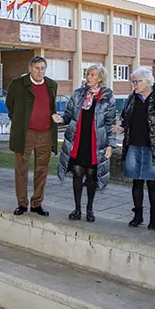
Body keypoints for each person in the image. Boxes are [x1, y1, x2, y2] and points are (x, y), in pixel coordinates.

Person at [113, 67, 155, 230]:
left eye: (136, 82)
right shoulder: (132, 98)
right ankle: (138, 215)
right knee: (137, 182)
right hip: (134, 146)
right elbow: (126, 117)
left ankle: (154, 217)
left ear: (147, 82)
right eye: (132, 82)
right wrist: (123, 127)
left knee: (153, 184)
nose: (133, 85)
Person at [57, 64, 116, 222]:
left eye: (93, 75)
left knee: (91, 176)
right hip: (78, 140)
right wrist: (61, 119)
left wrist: (110, 144)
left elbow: (110, 123)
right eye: (88, 74)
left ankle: (89, 209)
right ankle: (77, 209)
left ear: (100, 78)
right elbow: (69, 114)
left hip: (95, 143)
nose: (89, 77)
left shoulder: (107, 96)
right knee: (77, 174)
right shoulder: (78, 94)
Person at [6, 56, 63, 216]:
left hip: (46, 134)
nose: (40, 72)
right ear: (30, 68)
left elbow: (51, 107)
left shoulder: (51, 85)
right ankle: (22, 204)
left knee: (42, 170)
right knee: (21, 169)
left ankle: (37, 203)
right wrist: (19, 121)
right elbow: (10, 105)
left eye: (43, 68)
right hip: (26, 134)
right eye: (37, 68)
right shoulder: (18, 84)